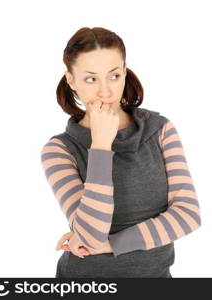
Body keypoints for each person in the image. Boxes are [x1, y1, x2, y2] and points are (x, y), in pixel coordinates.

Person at [40, 27, 201, 278]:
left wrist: (112, 244)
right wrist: (101, 146)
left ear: (125, 72)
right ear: (71, 80)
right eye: (91, 79)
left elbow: (188, 215)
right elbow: (92, 236)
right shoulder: (59, 150)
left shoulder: (159, 130)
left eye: (114, 75)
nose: (105, 92)